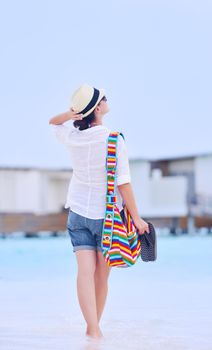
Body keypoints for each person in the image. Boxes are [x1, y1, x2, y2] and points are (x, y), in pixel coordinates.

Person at [49, 83, 149, 340]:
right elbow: (123, 182)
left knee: (83, 273)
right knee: (101, 276)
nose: (106, 100)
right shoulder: (114, 140)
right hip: (107, 219)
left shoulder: (73, 136)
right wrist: (136, 218)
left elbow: (53, 123)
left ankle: (93, 329)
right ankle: (93, 329)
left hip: (78, 213)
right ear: (97, 108)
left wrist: (72, 114)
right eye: (102, 98)